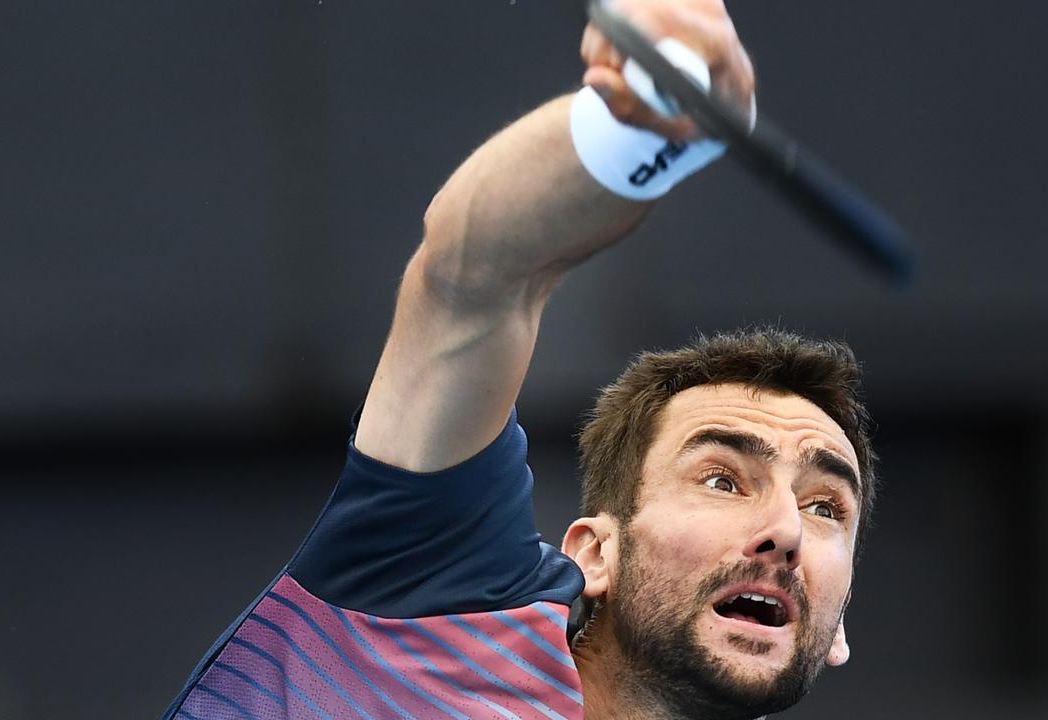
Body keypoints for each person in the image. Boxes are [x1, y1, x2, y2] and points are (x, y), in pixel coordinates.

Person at [161, 1, 877, 718]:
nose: (784, 530)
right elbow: (474, 277)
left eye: (825, 507)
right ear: (595, 554)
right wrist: (632, 125)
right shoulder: (438, 594)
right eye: (722, 480)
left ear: (840, 624)